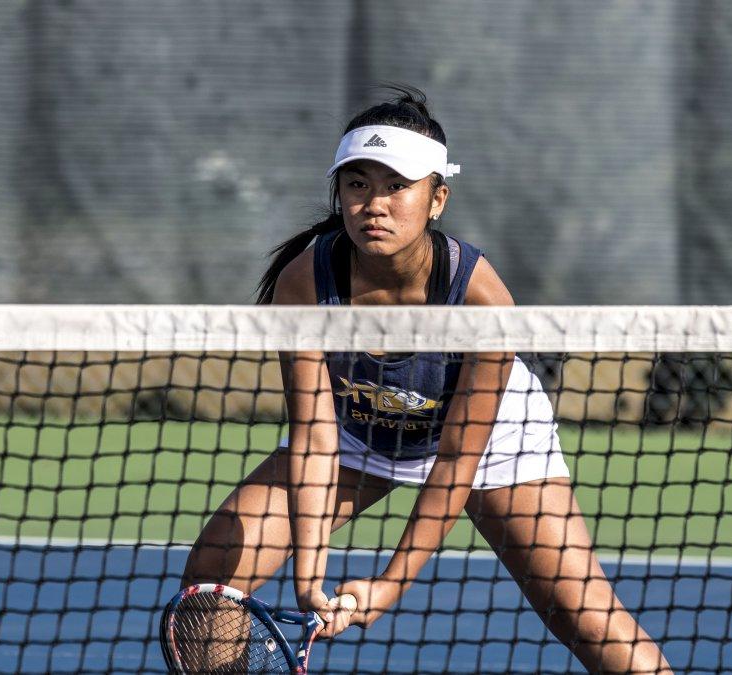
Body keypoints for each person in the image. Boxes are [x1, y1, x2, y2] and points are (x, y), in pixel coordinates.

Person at [182, 86, 672, 673]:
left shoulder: (481, 300)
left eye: (397, 186)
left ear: (436, 199)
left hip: (490, 446)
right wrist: (310, 577)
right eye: (358, 183)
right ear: (338, 192)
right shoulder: (304, 283)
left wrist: (390, 584)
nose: (375, 203)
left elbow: (456, 462)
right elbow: (314, 436)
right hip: (356, 436)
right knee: (210, 583)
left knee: (596, 630)